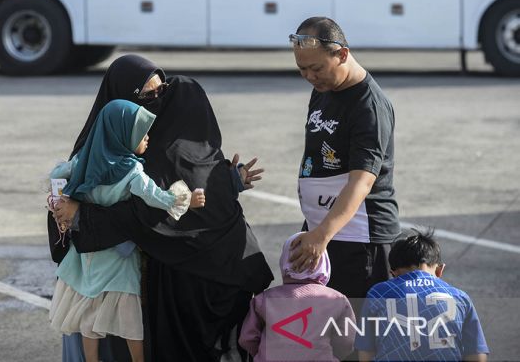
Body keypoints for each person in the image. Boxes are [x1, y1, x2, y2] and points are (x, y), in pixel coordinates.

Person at [54, 55, 273, 362]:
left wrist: (81, 216)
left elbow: (143, 216)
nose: (156, 103)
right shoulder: (115, 151)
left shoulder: (157, 156)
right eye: (147, 96)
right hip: (211, 278)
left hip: (148, 288)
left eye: (162, 93)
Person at [48, 99, 206, 362]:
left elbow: (59, 173)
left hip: (88, 254)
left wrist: (58, 199)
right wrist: (187, 201)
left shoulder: (87, 159)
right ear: (123, 135)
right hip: (118, 254)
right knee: (129, 315)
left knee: (89, 311)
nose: (147, 139)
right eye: (141, 134)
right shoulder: (132, 171)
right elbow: (156, 197)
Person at [287, 17, 400, 309]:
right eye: (302, 69)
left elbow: (361, 182)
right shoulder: (323, 90)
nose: (310, 76)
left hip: (359, 240)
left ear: (342, 55)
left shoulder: (369, 106)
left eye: (316, 68)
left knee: (356, 340)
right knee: (323, 333)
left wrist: (322, 235)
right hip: (324, 232)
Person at [355, 230, 489, 362]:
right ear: (439, 270)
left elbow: (365, 354)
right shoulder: (460, 297)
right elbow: (477, 356)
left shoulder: (378, 293)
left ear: (393, 273)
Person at [239, 233, 356, 362]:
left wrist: (262, 354)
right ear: (324, 264)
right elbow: (346, 341)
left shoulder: (263, 299)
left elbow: (247, 338)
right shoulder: (337, 300)